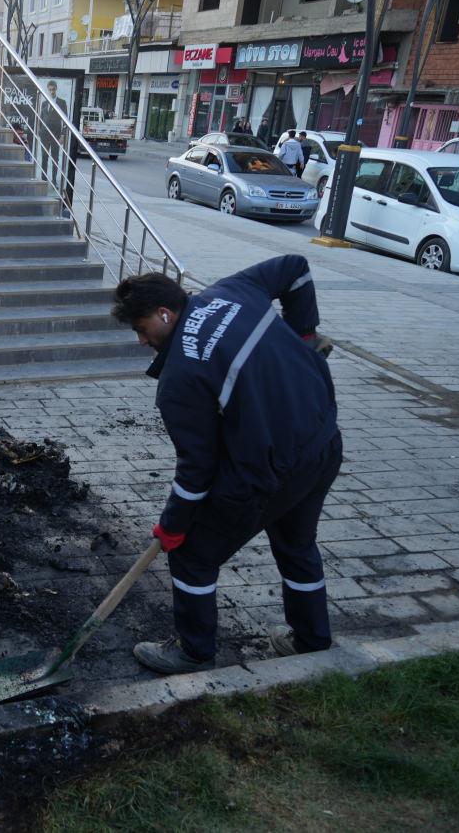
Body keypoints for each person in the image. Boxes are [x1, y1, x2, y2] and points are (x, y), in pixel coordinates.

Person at [110, 256, 341, 674]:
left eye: (141, 328)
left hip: (273, 469)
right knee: (296, 542)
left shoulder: (179, 380)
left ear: (164, 314)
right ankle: (312, 640)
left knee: (194, 555)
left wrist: (173, 526)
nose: (141, 340)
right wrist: (304, 334)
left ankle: (193, 652)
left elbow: (197, 471)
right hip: (323, 441)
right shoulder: (229, 292)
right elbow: (295, 267)